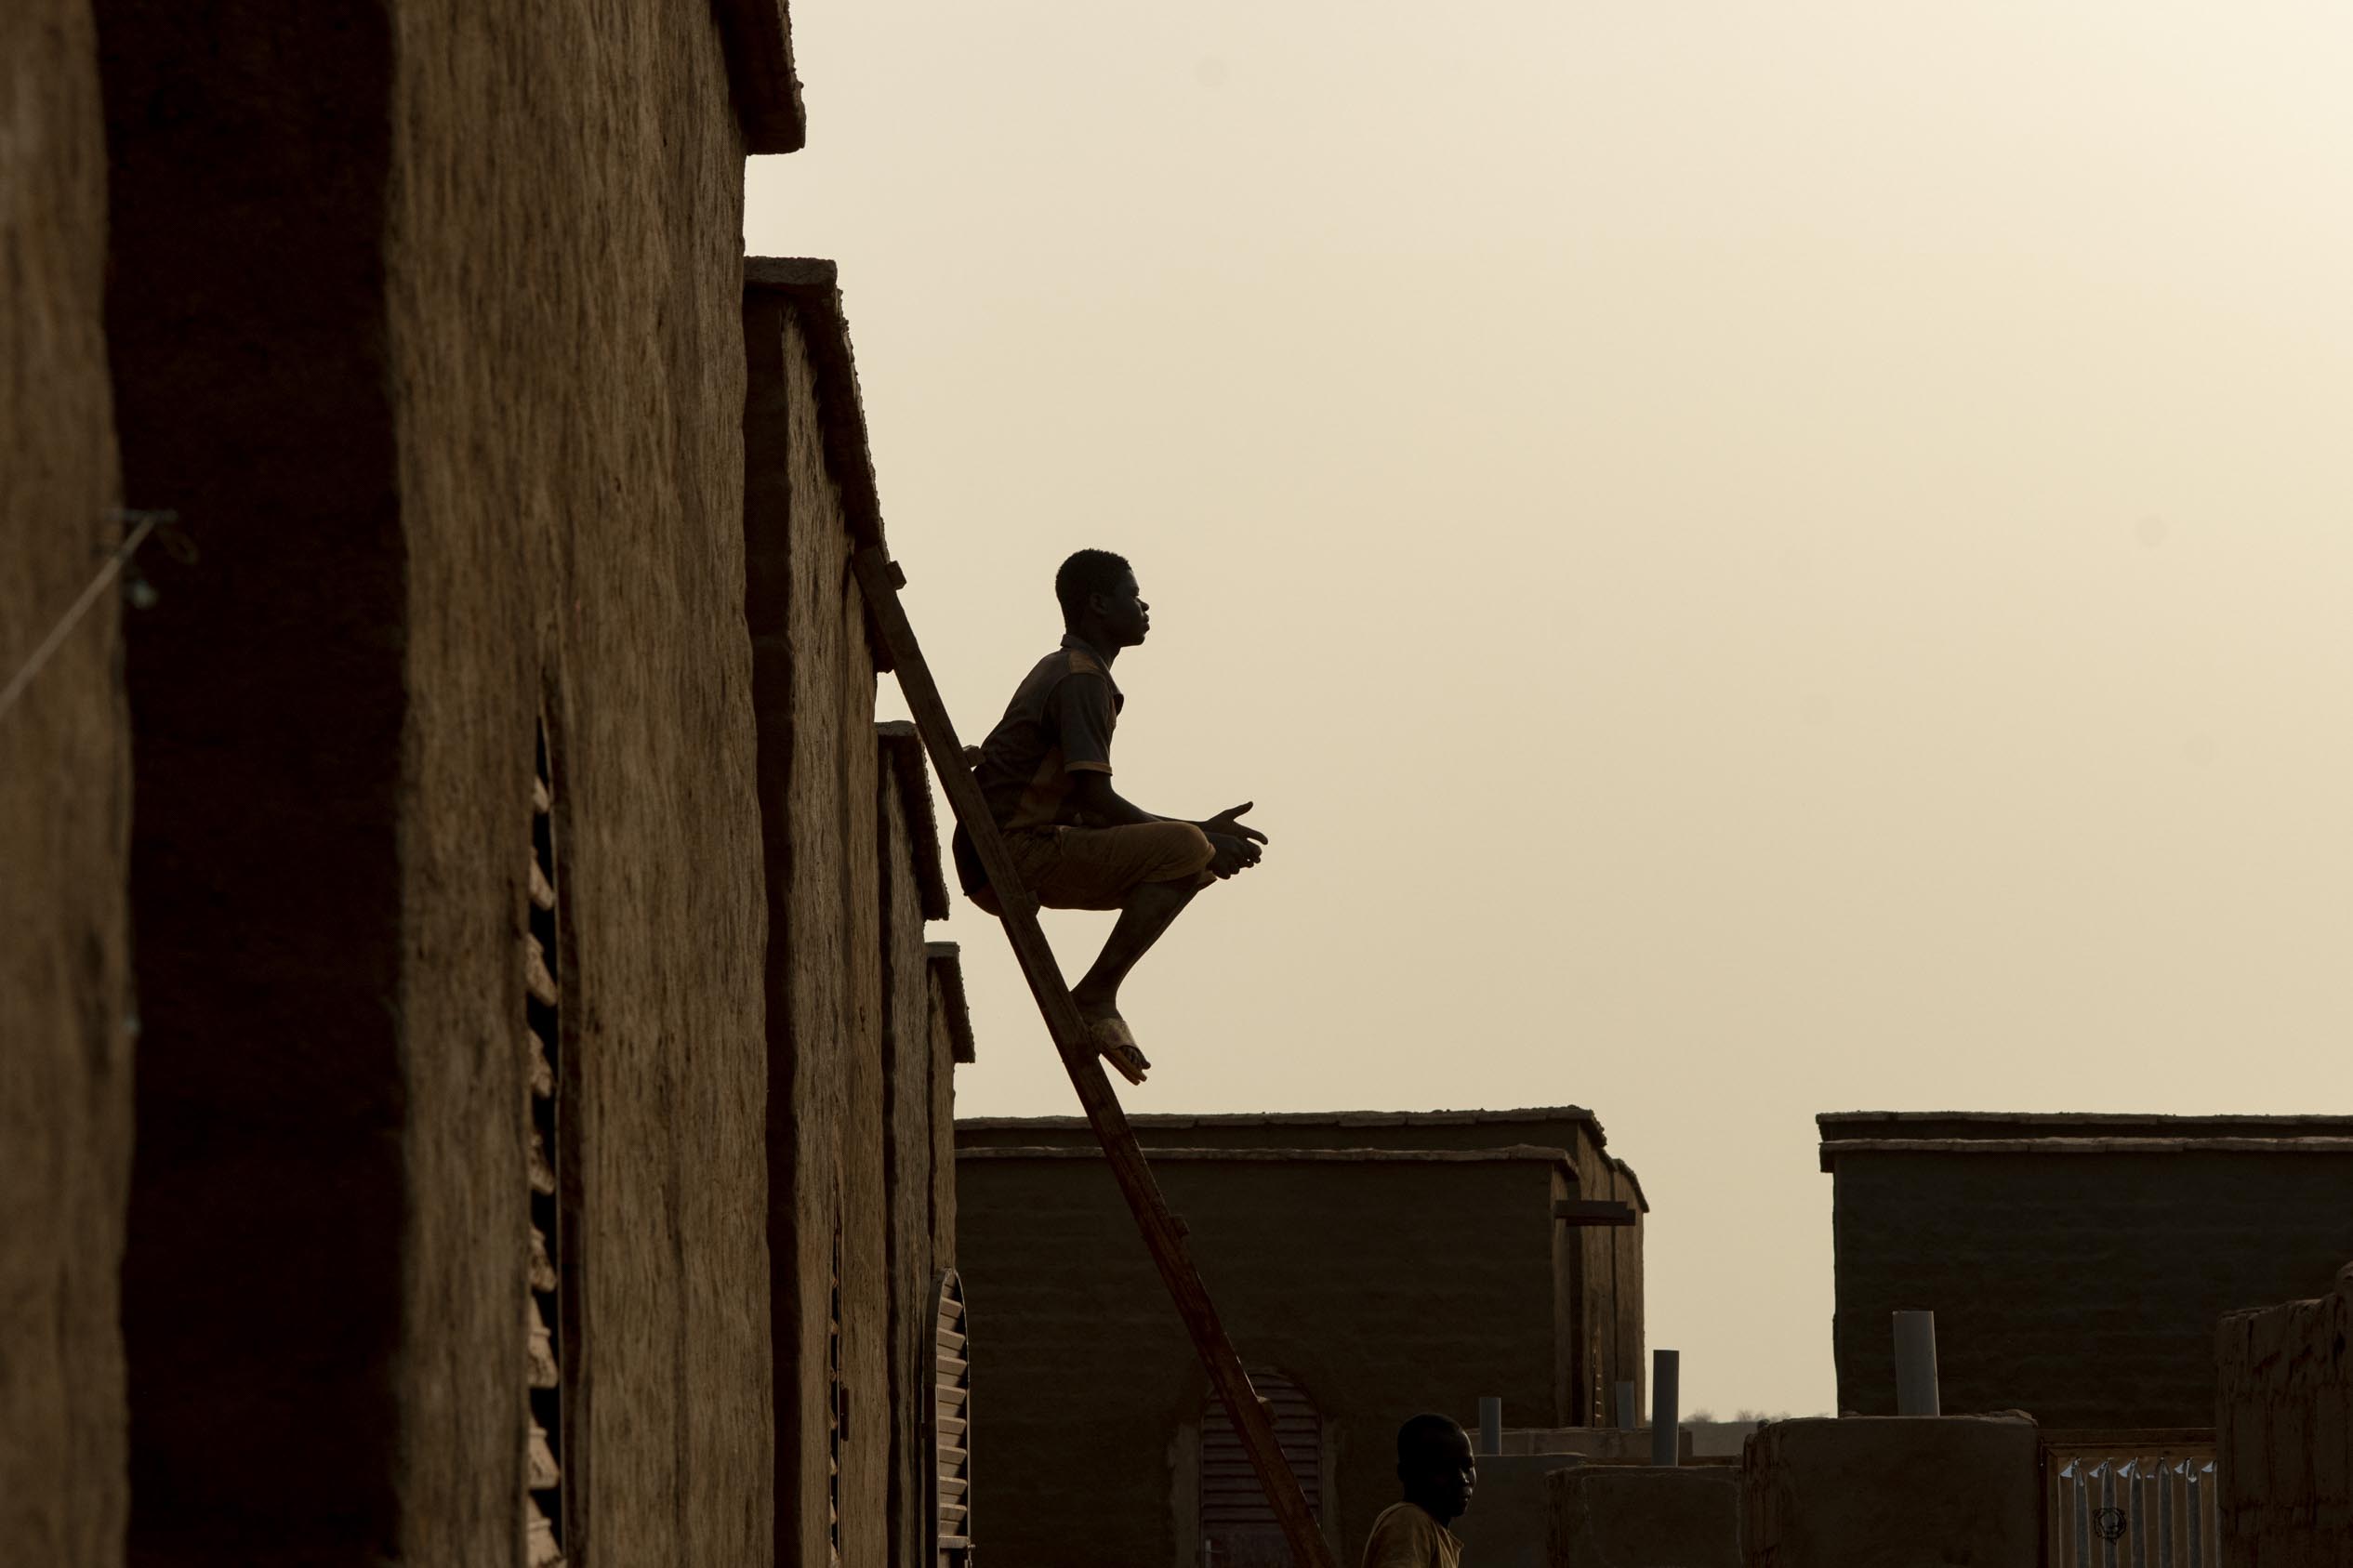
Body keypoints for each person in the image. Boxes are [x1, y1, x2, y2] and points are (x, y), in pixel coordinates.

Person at [952, 548, 1266, 1085]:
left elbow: (1082, 803)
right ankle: (1096, 995)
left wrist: (1203, 835)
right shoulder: (1081, 679)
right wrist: (1201, 837)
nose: (1144, 605)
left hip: (1005, 849)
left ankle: (1100, 993)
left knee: (1192, 855)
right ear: (1099, 604)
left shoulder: (1072, 670)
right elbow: (1098, 803)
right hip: (1013, 851)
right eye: (1133, 594)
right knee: (1188, 851)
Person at [1360, 1415, 1475, 1568]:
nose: (1463, 1478)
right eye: (1444, 1468)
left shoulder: (1431, 1528)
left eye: (1468, 1466)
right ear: (1406, 1473)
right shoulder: (1409, 1521)